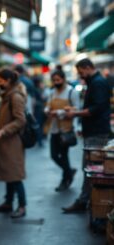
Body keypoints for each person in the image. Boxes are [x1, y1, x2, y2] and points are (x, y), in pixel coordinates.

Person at [62, 58, 111, 213]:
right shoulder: (94, 82)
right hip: (94, 131)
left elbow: (95, 109)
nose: (80, 75)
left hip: (97, 132)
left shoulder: (98, 83)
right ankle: (88, 200)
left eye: (81, 71)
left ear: (88, 67)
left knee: (90, 168)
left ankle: (84, 201)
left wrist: (75, 113)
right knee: (90, 168)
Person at [0, 68, 27, 218]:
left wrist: (3, 131)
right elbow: (7, 117)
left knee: (15, 175)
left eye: (0, 81)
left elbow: (20, 120)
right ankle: (8, 202)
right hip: (6, 141)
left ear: (8, 81)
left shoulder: (15, 97)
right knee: (8, 173)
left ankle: (22, 206)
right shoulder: (7, 95)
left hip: (12, 141)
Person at [44, 70, 80, 192]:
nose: (56, 82)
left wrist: (59, 112)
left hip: (66, 129)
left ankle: (65, 180)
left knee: (64, 156)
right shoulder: (51, 92)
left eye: (58, 80)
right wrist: (47, 110)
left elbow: (77, 109)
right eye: (54, 80)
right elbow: (48, 105)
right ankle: (69, 171)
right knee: (54, 155)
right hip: (54, 128)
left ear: (64, 79)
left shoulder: (71, 92)